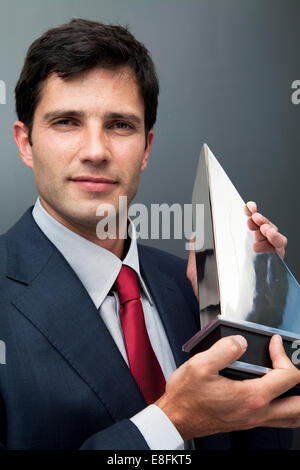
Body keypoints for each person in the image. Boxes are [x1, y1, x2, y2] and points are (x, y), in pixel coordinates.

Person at [0, 18, 298, 450]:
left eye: (120, 125)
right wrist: (171, 423)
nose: (96, 151)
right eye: (66, 121)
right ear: (25, 143)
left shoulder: (191, 286)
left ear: (146, 148)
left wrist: (261, 316)